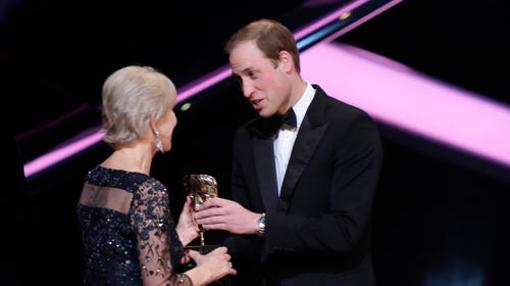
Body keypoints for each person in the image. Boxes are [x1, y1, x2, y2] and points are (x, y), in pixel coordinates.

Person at [194, 19, 383, 286]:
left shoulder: (349, 126)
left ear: (285, 61)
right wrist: (214, 258)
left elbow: (344, 231)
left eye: (253, 74)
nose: (246, 91)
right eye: (239, 80)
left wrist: (259, 223)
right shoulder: (246, 137)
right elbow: (247, 236)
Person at [77, 65, 236, 285]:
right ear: (154, 121)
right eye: (170, 110)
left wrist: (177, 236)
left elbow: (121, 259)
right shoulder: (146, 191)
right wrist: (209, 270)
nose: (174, 119)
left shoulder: (95, 178)